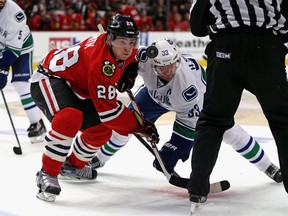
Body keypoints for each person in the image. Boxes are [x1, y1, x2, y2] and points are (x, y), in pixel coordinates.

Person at [87, 38, 282, 184]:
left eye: (171, 65)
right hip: (153, 96)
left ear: (177, 60)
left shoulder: (186, 86)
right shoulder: (146, 57)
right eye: (162, 67)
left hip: (201, 101)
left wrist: (173, 149)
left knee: (231, 132)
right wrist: (125, 72)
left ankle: (268, 167)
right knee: (126, 125)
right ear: (153, 63)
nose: (168, 71)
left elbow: (188, 126)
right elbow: (123, 58)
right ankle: (99, 159)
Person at [29, 14, 159, 202]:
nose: (128, 47)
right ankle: (47, 173)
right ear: (109, 38)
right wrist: (138, 125)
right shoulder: (101, 64)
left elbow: (134, 54)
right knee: (69, 118)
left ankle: (73, 166)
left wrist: (130, 67)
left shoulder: (117, 48)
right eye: (122, 41)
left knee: (101, 131)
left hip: (77, 87)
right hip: (50, 78)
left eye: (131, 41)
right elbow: (110, 113)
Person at [188, 0, 288, 208]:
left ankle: (197, 189)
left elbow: (197, 27)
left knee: (213, 120)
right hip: (265, 51)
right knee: (283, 121)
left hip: (225, 49)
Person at [0, 0, 46, 143]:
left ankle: (37, 123)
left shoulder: (14, 14)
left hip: (21, 48)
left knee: (21, 84)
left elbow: (13, 49)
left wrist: (3, 69)